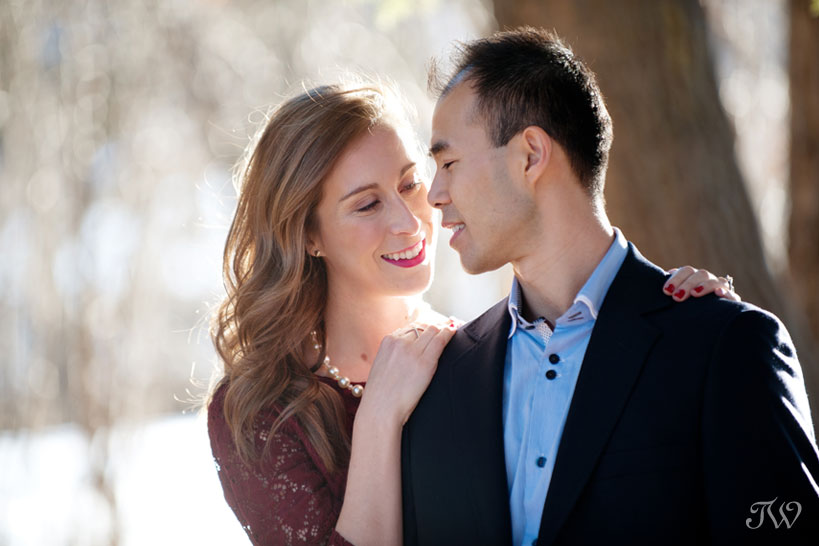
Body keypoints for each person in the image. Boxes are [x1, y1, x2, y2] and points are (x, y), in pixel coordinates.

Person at [206, 78, 738, 546]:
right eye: (367, 205)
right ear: (309, 236)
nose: (410, 221)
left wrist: (686, 322)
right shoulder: (257, 411)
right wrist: (378, 420)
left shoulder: (484, 357)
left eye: (411, 183)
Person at [400, 27, 819, 546]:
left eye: (448, 163)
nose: (434, 194)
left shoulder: (724, 347)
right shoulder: (440, 381)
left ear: (530, 154)